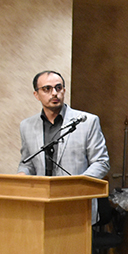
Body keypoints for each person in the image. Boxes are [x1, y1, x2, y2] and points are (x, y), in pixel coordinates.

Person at [18, 70, 110, 221]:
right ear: (36, 94)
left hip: (77, 205)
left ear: (64, 91)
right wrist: (22, 175)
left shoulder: (87, 122)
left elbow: (101, 162)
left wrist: (78, 185)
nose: (54, 93)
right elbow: (27, 163)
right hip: (40, 206)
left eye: (58, 88)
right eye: (47, 89)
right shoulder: (26, 126)